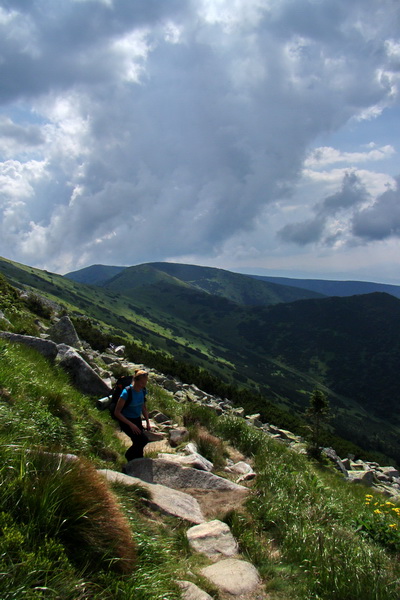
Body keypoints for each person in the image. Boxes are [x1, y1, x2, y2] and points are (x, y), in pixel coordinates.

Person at [114, 369, 151, 461]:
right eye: (141, 383)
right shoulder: (126, 393)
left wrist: (147, 422)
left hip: (136, 419)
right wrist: (131, 425)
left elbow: (143, 407)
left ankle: (138, 461)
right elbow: (117, 412)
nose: (143, 385)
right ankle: (129, 456)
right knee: (143, 440)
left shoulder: (142, 391)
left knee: (138, 442)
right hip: (126, 420)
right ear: (135, 380)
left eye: (145, 383)